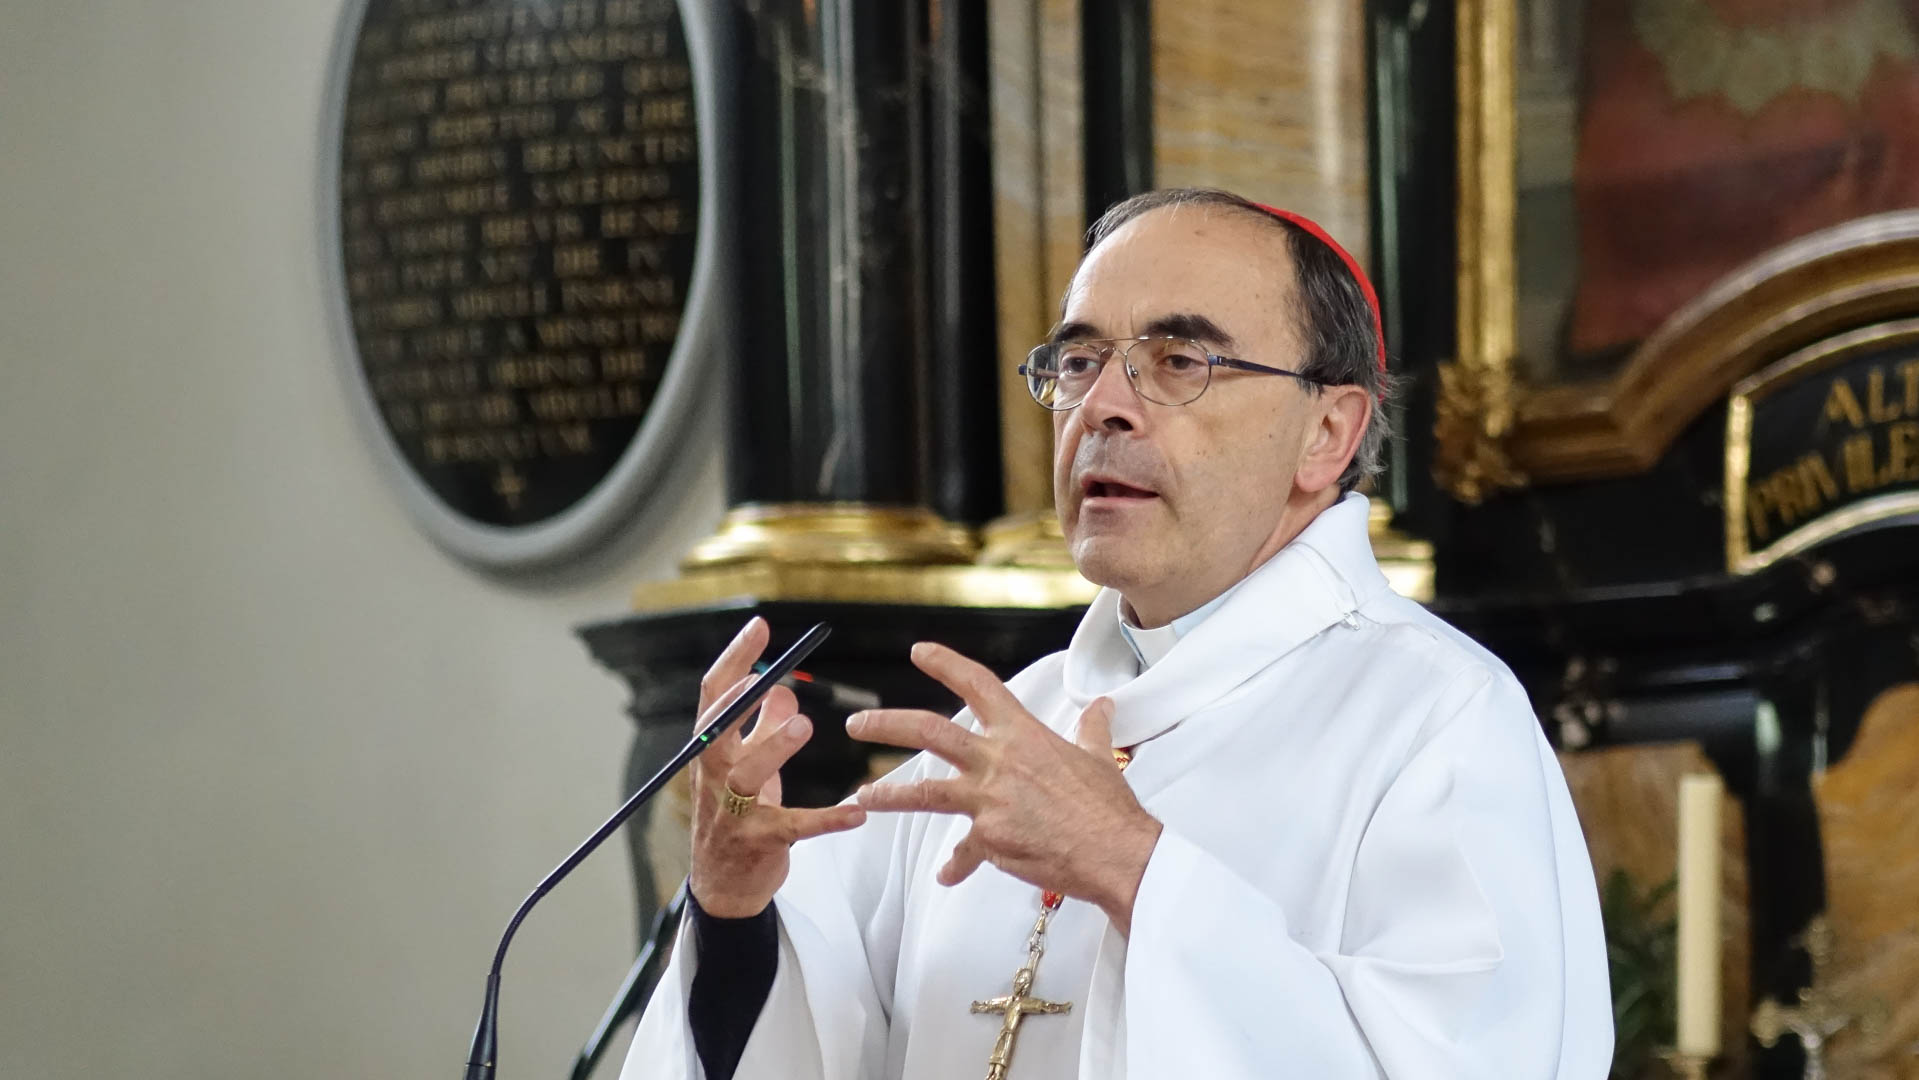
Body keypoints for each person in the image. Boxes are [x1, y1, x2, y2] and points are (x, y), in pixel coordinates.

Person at [620, 187, 1613, 1080]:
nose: (1099, 407)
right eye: (1079, 361)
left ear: (1327, 433)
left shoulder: (1433, 717)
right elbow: (797, 1031)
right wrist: (735, 903)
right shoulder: (1008, 726)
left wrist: (1132, 867)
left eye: (1177, 361)